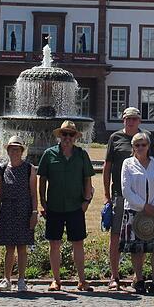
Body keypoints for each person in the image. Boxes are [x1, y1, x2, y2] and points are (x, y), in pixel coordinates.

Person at [102, 106, 154, 290]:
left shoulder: (146, 137)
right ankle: (114, 276)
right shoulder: (115, 138)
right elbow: (107, 167)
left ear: (139, 121)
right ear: (123, 120)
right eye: (127, 118)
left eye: (134, 118)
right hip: (120, 195)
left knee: (140, 235)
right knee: (116, 236)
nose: (130, 121)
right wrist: (106, 195)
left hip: (144, 199)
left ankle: (137, 276)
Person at [38, 120, 95, 292]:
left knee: (78, 243)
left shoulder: (81, 154)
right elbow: (42, 179)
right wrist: (42, 201)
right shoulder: (49, 154)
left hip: (75, 206)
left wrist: (86, 202)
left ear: (75, 137)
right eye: (65, 134)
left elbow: (87, 179)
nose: (67, 137)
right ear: (60, 136)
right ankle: (56, 280)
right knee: (54, 244)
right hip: (54, 206)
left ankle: (82, 280)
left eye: (71, 134)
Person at [119, 132, 154, 295]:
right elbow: (125, 189)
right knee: (137, 249)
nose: (141, 147)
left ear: (148, 146)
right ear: (133, 147)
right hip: (135, 211)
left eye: (144, 144)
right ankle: (139, 280)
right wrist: (144, 205)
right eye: (137, 145)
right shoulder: (128, 164)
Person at [0, 135, 38, 293]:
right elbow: (0, 192)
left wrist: (34, 212)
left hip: (24, 209)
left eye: (17, 149)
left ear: (22, 151)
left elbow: (33, 193)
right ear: (8, 151)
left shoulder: (29, 168)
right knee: (9, 248)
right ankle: (6, 279)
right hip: (7, 209)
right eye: (12, 149)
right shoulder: (3, 168)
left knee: (22, 247)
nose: (14, 152)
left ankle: (21, 279)